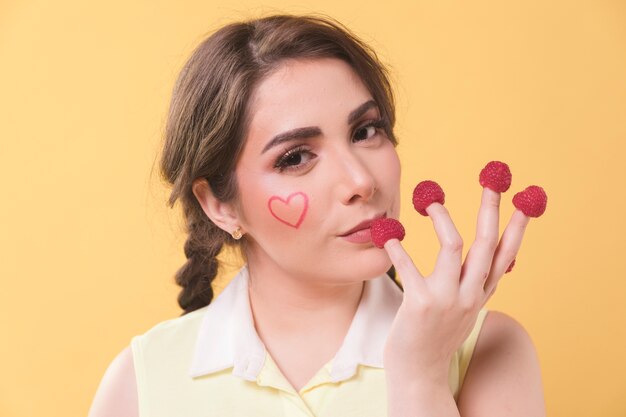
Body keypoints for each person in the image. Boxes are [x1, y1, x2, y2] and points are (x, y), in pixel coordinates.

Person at [88, 13, 545, 417]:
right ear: (219, 205)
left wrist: (420, 378)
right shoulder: (141, 383)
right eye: (295, 158)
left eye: (366, 131)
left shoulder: (488, 348)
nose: (361, 181)